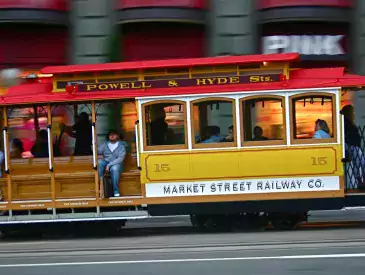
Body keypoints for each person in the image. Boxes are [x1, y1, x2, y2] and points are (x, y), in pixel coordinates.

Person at [98, 130, 126, 197]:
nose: (112, 135)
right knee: (99, 162)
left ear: (118, 136)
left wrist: (109, 165)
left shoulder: (121, 145)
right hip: (106, 162)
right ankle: (101, 187)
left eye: (114, 134)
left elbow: (120, 158)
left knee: (114, 169)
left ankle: (116, 190)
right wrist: (93, 145)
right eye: (110, 134)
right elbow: (98, 151)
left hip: (117, 163)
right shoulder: (105, 144)